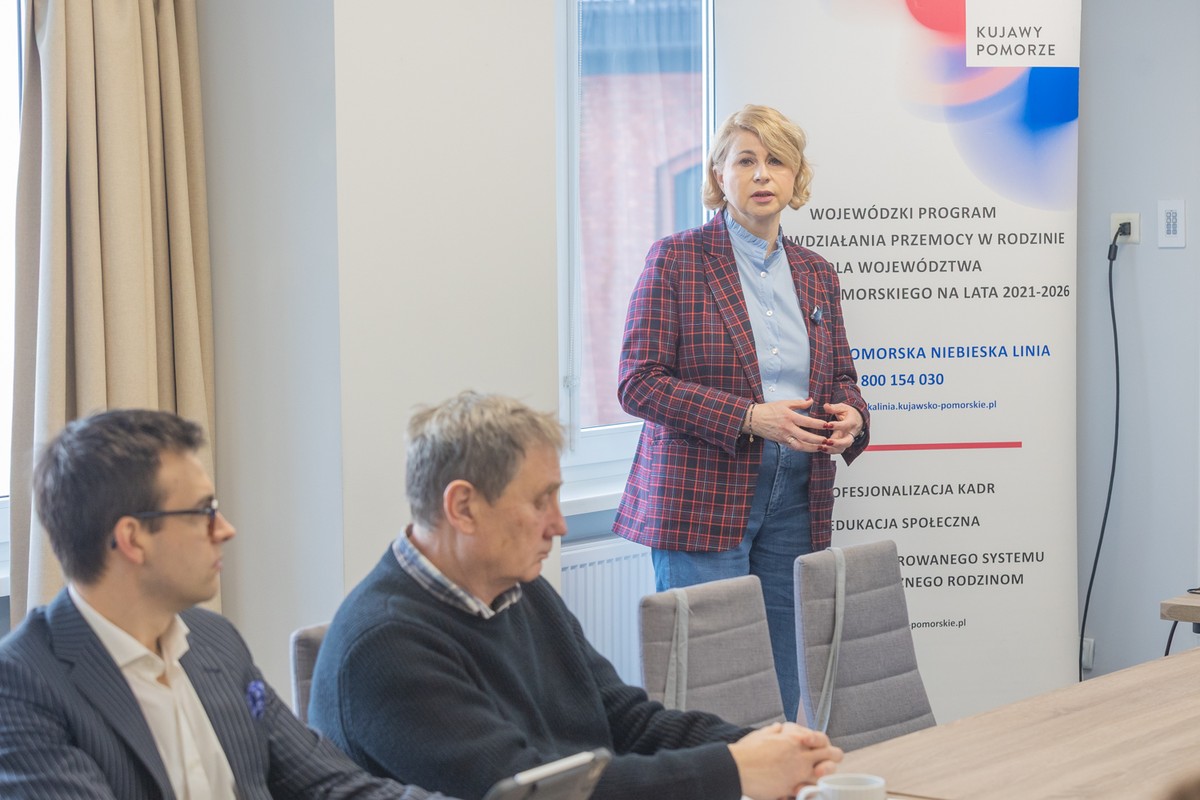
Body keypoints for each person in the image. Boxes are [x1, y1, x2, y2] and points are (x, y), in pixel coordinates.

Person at [308, 391, 843, 800]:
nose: (559, 524)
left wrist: (761, 746)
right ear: (463, 508)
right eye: (540, 501)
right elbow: (531, 789)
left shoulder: (522, 590)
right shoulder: (383, 647)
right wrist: (735, 770)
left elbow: (623, 719)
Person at [0, 408, 453, 800]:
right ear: (132, 539)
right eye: (204, 511)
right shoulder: (22, 685)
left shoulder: (214, 640)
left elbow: (333, 785)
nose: (225, 529)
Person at [614, 104, 869, 720]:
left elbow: (841, 376)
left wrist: (853, 416)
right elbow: (638, 383)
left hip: (796, 498)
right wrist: (750, 418)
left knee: (781, 680)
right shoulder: (676, 259)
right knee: (708, 683)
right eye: (745, 160)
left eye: (776, 161)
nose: (761, 174)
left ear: (795, 177)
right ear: (718, 175)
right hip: (702, 494)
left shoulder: (816, 273)